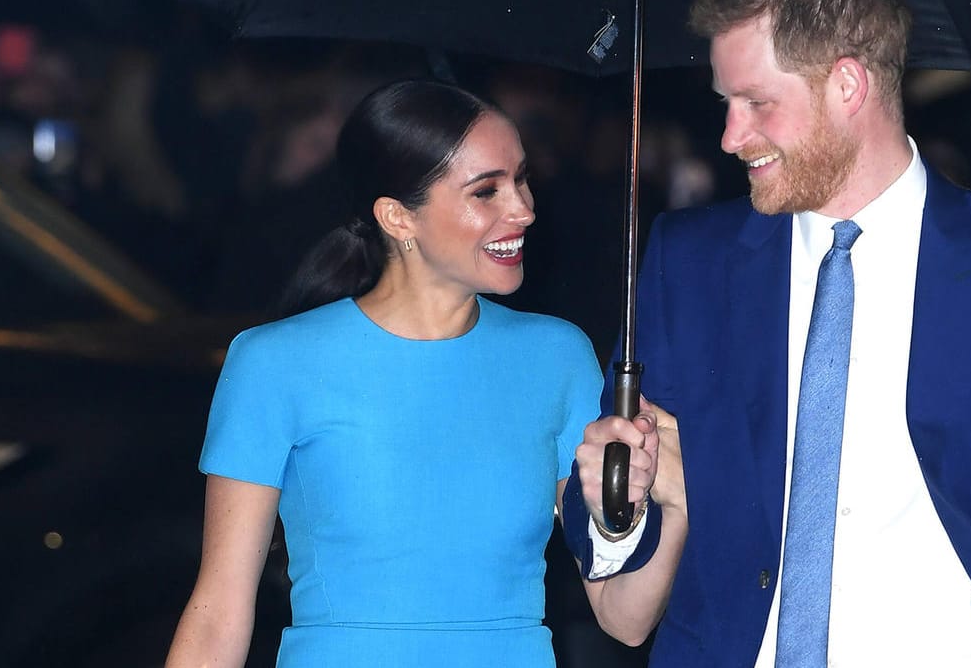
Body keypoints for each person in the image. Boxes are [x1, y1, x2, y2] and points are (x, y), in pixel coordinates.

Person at [561, 0, 971, 668]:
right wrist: (617, 509)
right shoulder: (686, 265)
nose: (729, 135)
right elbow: (620, 537)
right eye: (725, 103)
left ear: (847, 86)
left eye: (754, 102)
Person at [164, 79, 669, 667]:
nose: (524, 209)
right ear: (398, 218)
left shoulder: (556, 356)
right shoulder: (276, 363)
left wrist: (672, 500)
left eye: (522, 179)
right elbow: (219, 613)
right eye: (487, 192)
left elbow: (624, 618)